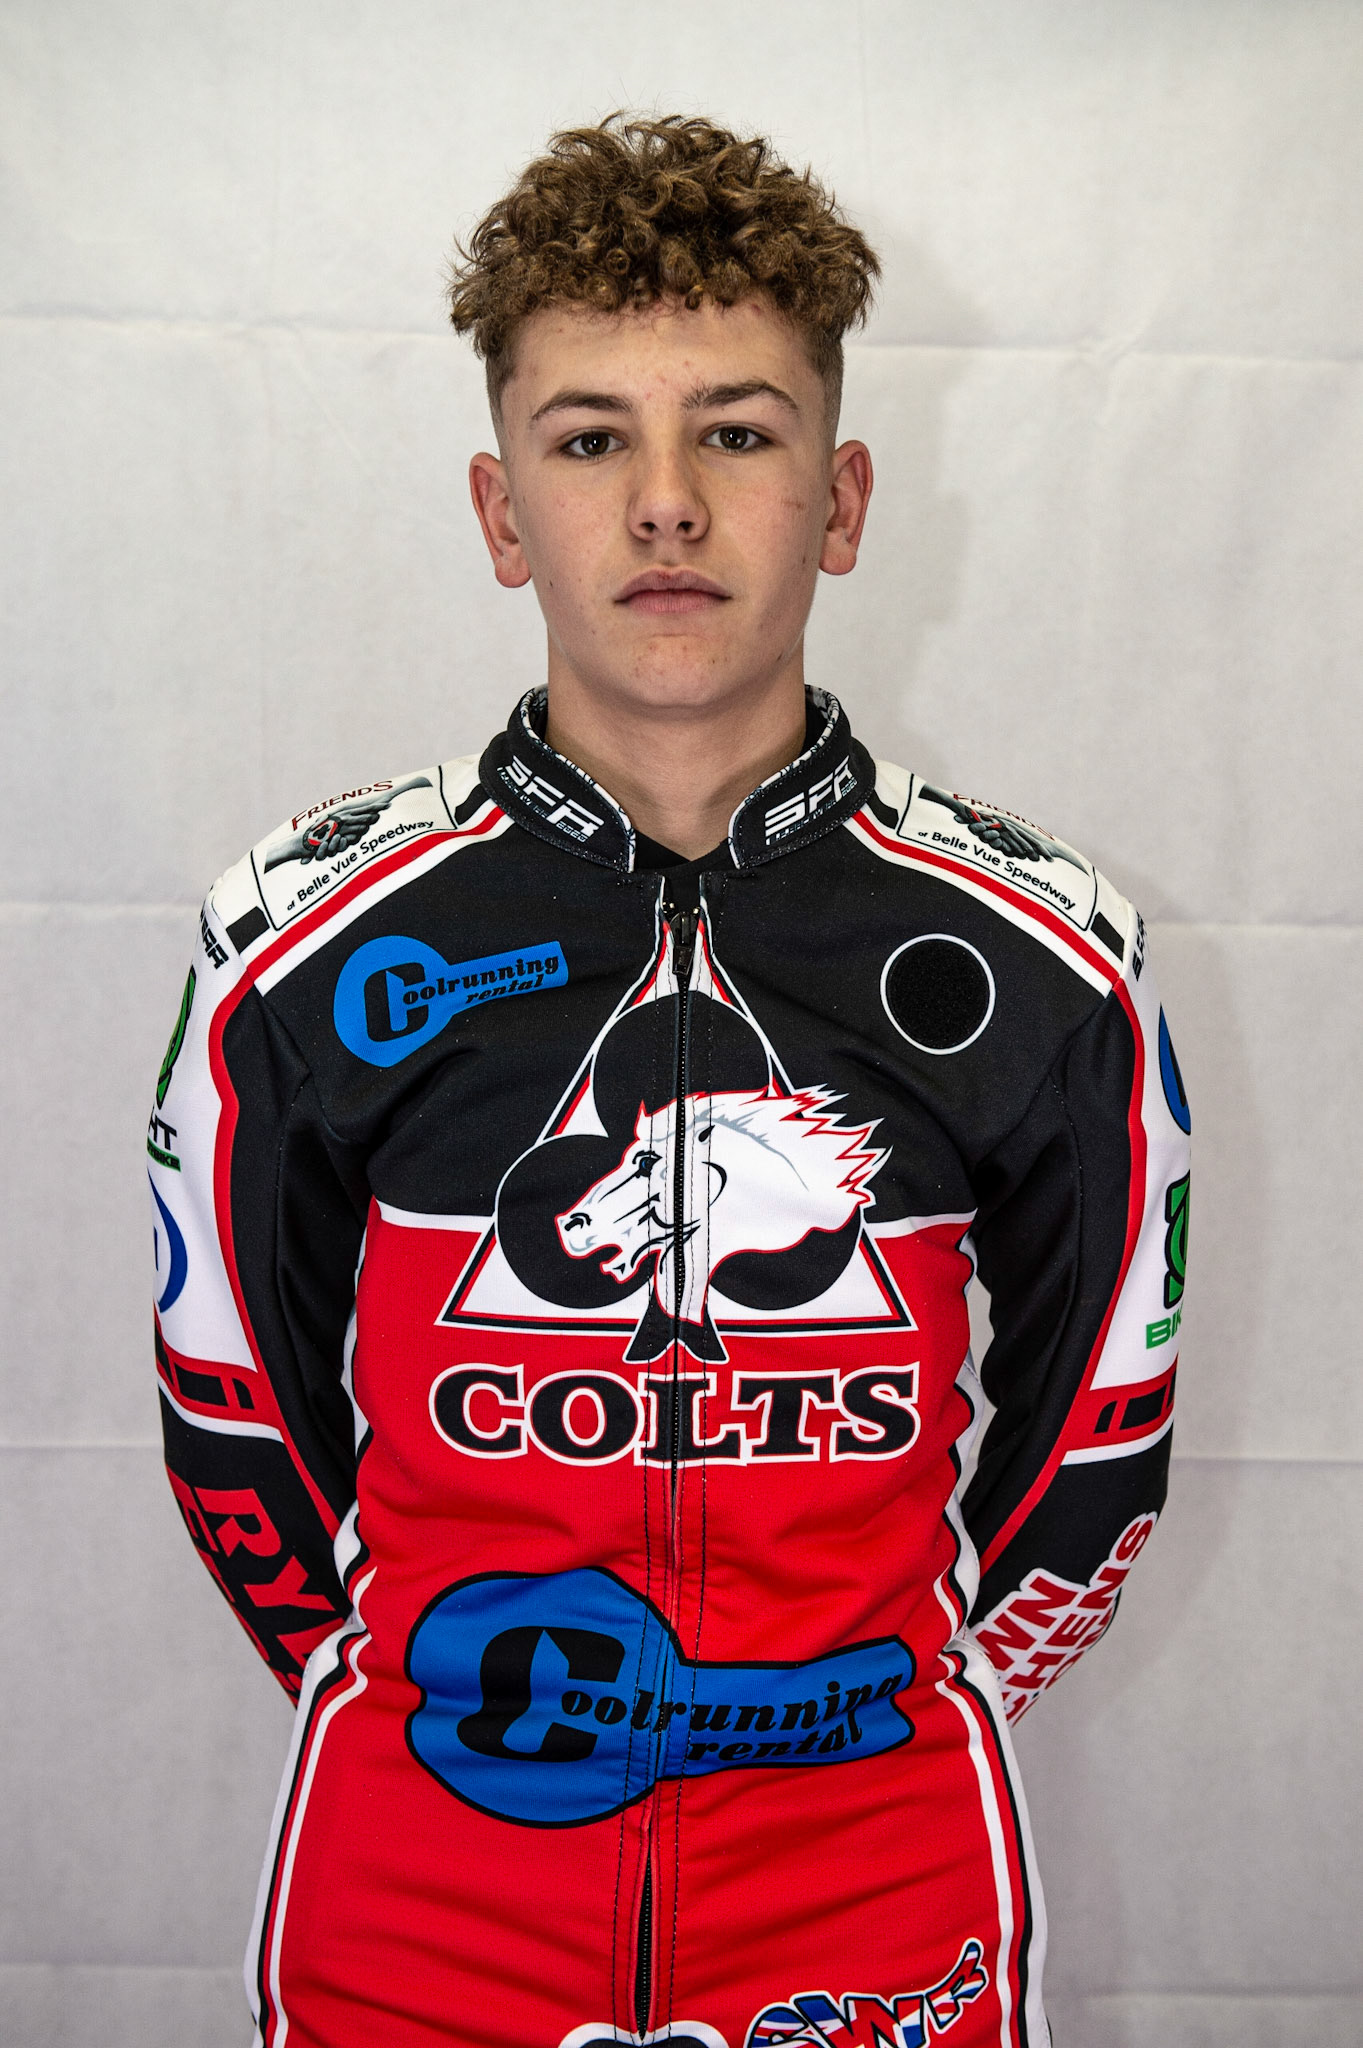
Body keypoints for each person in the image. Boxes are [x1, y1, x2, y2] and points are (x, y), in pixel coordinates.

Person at [149, 114, 1190, 2048]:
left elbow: (1098, 1440)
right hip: (430, 1870)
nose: (665, 507)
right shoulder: (298, 941)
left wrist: (857, 1709)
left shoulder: (1055, 955)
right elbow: (233, 1419)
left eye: (737, 429)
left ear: (846, 492)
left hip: (875, 1868)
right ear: (496, 508)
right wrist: (420, 1706)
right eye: (588, 437)